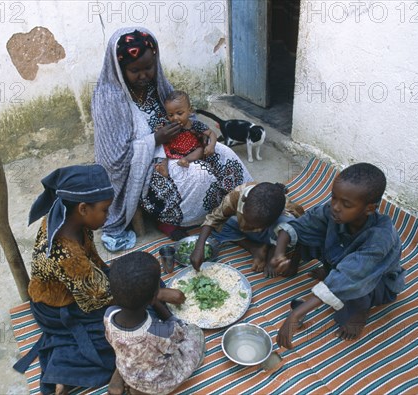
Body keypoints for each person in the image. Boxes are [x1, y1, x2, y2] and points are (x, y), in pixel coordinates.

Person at [12, 164, 185, 395]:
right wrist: (155, 296)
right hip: (59, 308)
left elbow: (94, 267)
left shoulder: (68, 216)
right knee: (136, 323)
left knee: (143, 280)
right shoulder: (67, 254)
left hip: (84, 285)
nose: (108, 216)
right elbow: (93, 301)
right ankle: (66, 372)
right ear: (83, 208)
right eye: (105, 210)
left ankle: (117, 361)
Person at [92, 27, 252, 250]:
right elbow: (113, 160)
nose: (144, 75)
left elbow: (186, 115)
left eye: (149, 67)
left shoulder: (157, 85)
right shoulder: (108, 99)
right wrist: (155, 139)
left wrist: (209, 137)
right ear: (119, 69)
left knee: (225, 154)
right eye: (134, 70)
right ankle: (173, 219)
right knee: (198, 175)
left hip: (181, 147)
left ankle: (248, 203)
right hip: (146, 167)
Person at [273, 163, 406, 348]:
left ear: (369, 208)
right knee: (310, 233)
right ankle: (303, 267)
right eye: (334, 197)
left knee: (347, 304)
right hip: (342, 258)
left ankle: (361, 312)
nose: (335, 207)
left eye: (346, 204)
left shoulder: (380, 237)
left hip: (374, 280)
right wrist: (279, 254)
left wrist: (295, 315)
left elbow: (352, 275)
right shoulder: (333, 212)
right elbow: (302, 224)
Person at [104, 251, 205, 395]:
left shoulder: (109, 314)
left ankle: (123, 376)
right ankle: (143, 391)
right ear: (154, 296)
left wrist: (153, 300)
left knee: (129, 351)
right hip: (157, 382)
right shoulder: (159, 331)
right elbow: (179, 333)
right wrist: (165, 312)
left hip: (129, 366)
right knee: (195, 333)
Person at [190, 182, 304, 276]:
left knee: (288, 230)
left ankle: (271, 248)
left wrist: (291, 264)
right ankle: (255, 248)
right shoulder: (237, 196)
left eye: (256, 226)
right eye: (247, 219)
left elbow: (303, 235)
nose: (251, 228)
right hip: (244, 229)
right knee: (219, 224)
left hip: (271, 234)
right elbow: (213, 218)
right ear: (244, 204)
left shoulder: (287, 212)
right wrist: (199, 247)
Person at [155, 90, 217, 175]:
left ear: (190, 111)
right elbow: (161, 133)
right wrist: (159, 130)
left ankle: (186, 160)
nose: (175, 118)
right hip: (173, 151)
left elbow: (211, 133)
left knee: (200, 150)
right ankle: (164, 168)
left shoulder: (194, 125)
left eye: (179, 113)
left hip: (191, 150)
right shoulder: (169, 125)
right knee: (163, 150)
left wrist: (211, 146)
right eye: (170, 115)